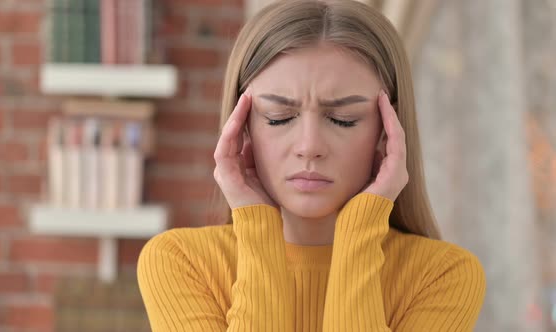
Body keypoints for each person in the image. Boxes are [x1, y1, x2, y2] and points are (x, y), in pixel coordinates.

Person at [137, 0, 486, 331]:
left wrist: (362, 228)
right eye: (278, 117)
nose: (309, 147)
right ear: (242, 126)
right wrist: (259, 232)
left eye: (343, 119)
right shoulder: (181, 263)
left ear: (387, 130)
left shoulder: (443, 275)